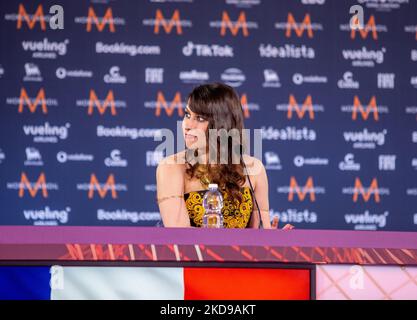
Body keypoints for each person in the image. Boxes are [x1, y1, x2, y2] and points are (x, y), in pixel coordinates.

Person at [156, 82, 293, 229]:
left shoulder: (254, 169)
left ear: (222, 123)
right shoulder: (172, 167)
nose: (188, 125)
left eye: (200, 118)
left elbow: (259, 234)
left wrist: (273, 241)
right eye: (187, 114)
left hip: (242, 252)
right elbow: (180, 238)